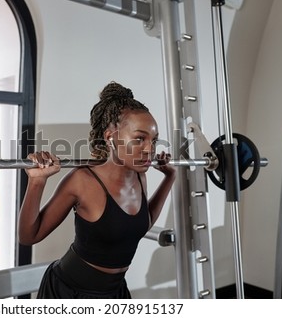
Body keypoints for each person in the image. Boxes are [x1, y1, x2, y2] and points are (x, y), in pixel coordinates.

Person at [18, 81, 176, 299]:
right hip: (70, 293)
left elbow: (140, 223)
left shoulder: (139, 175)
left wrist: (170, 177)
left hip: (115, 292)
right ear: (111, 137)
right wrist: (37, 182)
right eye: (139, 139)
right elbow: (29, 236)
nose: (150, 149)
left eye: (154, 140)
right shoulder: (82, 180)